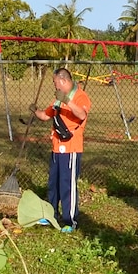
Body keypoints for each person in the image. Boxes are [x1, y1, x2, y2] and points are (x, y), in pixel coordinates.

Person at [33, 66, 91, 231]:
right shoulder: (58, 98)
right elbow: (46, 115)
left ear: (64, 80)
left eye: (55, 82)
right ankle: (51, 215)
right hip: (57, 148)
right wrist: (34, 111)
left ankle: (70, 221)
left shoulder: (80, 97)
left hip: (71, 148)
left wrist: (66, 100)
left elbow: (81, 114)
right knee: (54, 184)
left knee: (67, 185)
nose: (55, 86)